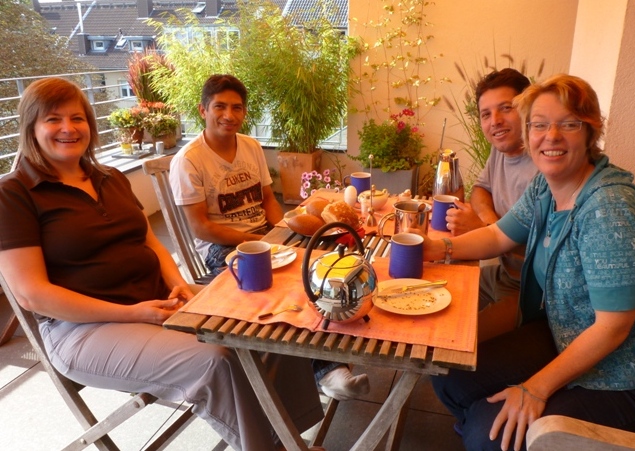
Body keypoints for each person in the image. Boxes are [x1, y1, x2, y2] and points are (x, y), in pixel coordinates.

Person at [0, 77, 325, 450]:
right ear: (31, 127)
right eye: (53, 119)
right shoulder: (14, 193)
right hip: (82, 331)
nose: (68, 128)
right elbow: (33, 295)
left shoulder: (110, 177)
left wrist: (179, 284)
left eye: (77, 118)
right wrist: (133, 313)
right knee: (216, 361)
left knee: (275, 322)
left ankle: (289, 436)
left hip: (154, 302)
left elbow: (150, 241)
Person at [421, 74, 635, 451]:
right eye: (539, 124)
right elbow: (498, 235)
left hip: (630, 374)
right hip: (563, 335)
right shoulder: (546, 187)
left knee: (489, 433)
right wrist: (437, 249)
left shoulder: (609, 209)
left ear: (590, 131)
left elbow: (613, 328)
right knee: (449, 377)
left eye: (568, 124)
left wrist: (535, 388)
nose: (551, 136)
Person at [169, 74, 370, 401]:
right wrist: (262, 244)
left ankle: (337, 348)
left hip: (265, 236)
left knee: (324, 264)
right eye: (219, 107)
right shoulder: (189, 160)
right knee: (286, 288)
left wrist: (283, 231)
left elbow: (268, 200)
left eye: (237, 108)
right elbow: (200, 227)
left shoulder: (250, 146)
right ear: (203, 110)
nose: (229, 115)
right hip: (222, 248)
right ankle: (329, 371)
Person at [445, 68, 538, 342]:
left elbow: (546, 254)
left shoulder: (545, 167)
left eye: (506, 108)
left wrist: (487, 230)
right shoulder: (501, 151)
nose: (495, 121)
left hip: (531, 292)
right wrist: (488, 222)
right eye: (486, 114)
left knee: (457, 343)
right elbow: (480, 190)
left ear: (528, 110)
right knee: (432, 296)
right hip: (502, 275)